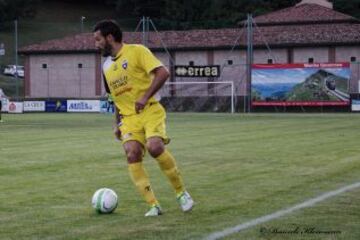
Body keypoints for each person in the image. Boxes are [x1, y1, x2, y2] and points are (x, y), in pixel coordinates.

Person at [93, 20, 194, 217]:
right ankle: (153, 205)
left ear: (109, 38)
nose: (96, 44)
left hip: (150, 110)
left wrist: (144, 96)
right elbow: (115, 98)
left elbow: (163, 72)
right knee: (132, 153)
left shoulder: (137, 51)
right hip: (128, 119)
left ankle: (182, 193)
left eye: (98, 40)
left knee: (155, 147)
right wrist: (117, 124)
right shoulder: (105, 67)